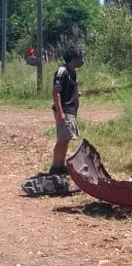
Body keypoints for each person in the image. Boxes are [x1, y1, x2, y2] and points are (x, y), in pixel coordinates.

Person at [49, 46, 84, 175]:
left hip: (70, 111)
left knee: (66, 139)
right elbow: (56, 93)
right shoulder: (62, 71)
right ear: (73, 59)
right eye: (79, 58)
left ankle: (61, 165)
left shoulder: (72, 72)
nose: (82, 61)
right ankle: (55, 166)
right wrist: (60, 113)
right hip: (64, 110)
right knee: (62, 140)